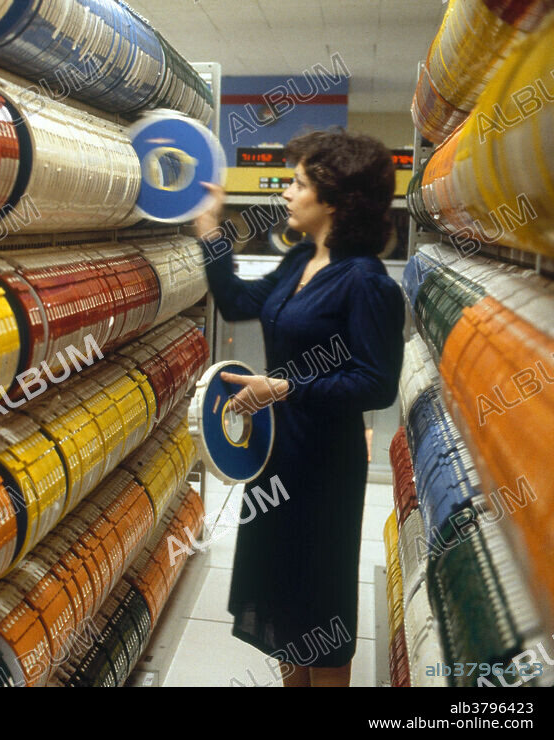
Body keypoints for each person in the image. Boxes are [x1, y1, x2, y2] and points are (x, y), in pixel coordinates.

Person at [194, 129, 406, 687]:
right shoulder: (299, 261)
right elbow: (237, 301)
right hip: (275, 456)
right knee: (282, 601)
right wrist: (210, 229)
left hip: (323, 465)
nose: (286, 193)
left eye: (299, 183)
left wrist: (284, 387)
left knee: (319, 607)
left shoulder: (367, 283)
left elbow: (376, 384)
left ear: (334, 199)